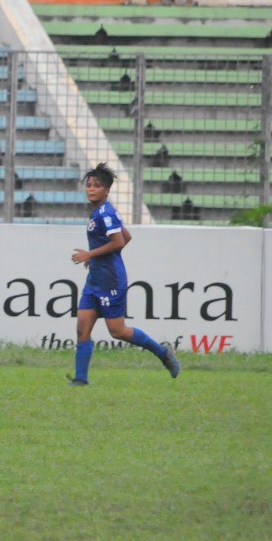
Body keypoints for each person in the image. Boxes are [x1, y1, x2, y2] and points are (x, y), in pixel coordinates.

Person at [68, 163, 180, 386]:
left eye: (97, 186)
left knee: (118, 332)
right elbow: (126, 237)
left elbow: (118, 242)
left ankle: (163, 353)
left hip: (111, 281)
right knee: (82, 327)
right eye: (89, 185)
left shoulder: (105, 213)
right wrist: (95, 258)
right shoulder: (99, 213)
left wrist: (90, 253)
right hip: (95, 281)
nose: (91, 189)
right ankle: (80, 380)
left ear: (106, 190)